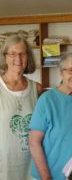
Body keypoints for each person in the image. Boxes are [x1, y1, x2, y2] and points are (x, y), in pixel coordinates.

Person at [29, 52, 72, 180]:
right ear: (61, 73)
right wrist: (46, 178)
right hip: (48, 175)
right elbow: (34, 142)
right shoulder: (47, 100)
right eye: (70, 70)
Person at [0, 35, 43, 180]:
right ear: (5, 57)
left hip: (32, 163)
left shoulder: (37, 89)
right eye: (12, 53)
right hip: (4, 167)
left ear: (28, 57)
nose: (18, 58)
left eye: (22, 53)